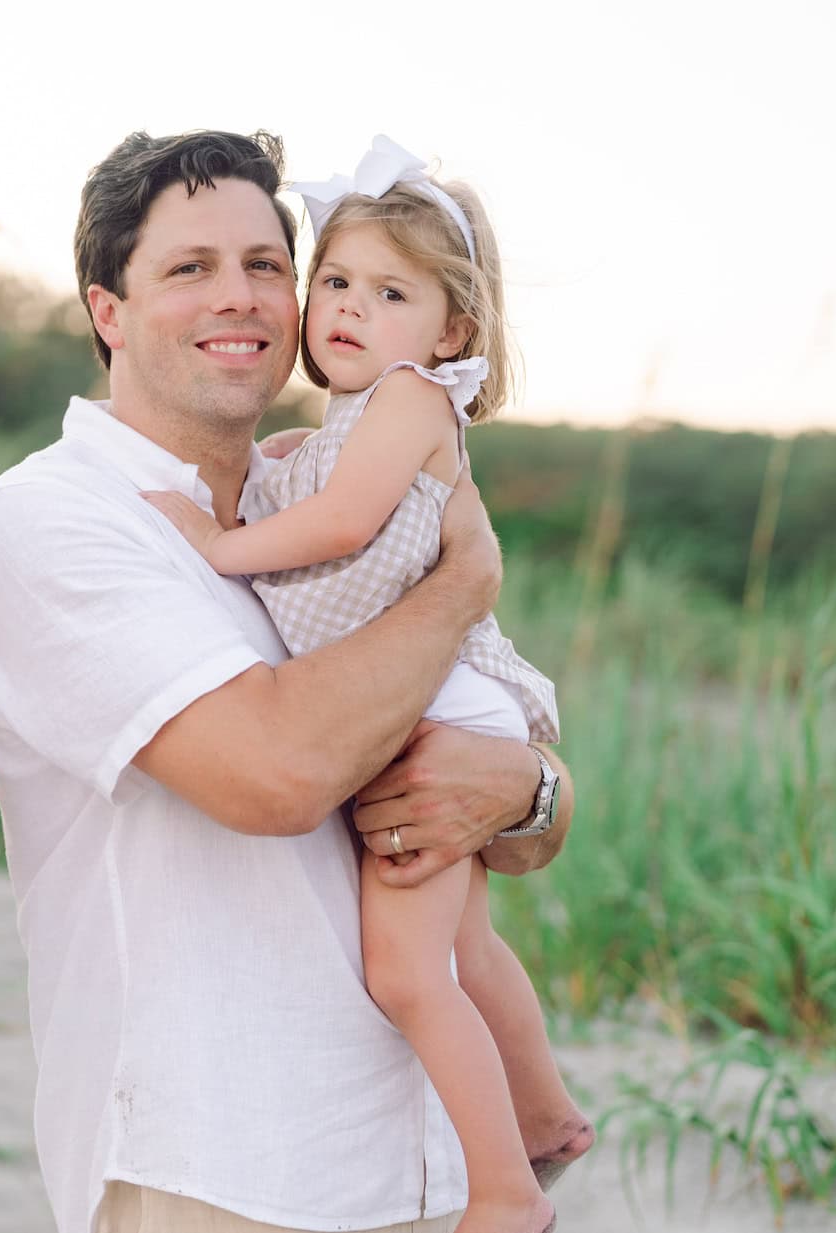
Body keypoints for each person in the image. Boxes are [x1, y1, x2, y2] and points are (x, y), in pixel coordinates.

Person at [0, 129, 588, 1233]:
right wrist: (460, 586)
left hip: (412, 1160)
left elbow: (499, 817)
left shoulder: (336, 498)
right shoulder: (55, 521)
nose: (239, 298)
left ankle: (531, 1129)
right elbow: (277, 774)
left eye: (264, 266)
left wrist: (530, 787)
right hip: (225, 1163)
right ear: (107, 313)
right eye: (188, 268)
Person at [141, 135, 584, 1233]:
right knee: (465, 948)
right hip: (428, 699)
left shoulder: (406, 404)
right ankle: (545, 1118)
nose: (347, 307)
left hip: (433, 711)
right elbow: (322, 483)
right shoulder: (350, 421)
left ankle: (504, 1191)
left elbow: (338, 525)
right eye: (333, 281)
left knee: (404, 973)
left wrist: (212, 543)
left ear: (452, 330)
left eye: (388, 291)